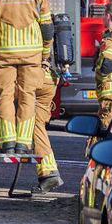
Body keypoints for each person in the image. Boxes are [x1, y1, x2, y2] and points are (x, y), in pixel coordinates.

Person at [0, 0, 53, 154]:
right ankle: (24, 143)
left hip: (3, 51)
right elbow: (47, 27)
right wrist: (45, 54)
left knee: (5, 95)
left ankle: (7, 141)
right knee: (28, 96)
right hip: (31, 53)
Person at [32, 61, 64, 192]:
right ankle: (49, 173)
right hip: (50, 77)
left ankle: (49, 173)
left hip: (34, 75)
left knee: (2, 97)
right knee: (37, 126)